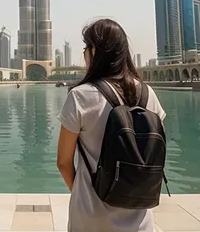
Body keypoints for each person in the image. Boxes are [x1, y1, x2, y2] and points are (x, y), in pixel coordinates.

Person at [57, 18, 166, 232]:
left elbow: (63, 162)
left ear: (94, 51)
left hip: (91, 217)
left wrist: (84, 193)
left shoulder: (80, 96)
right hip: (140, 219)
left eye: (85, 48)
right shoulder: (148, 93)